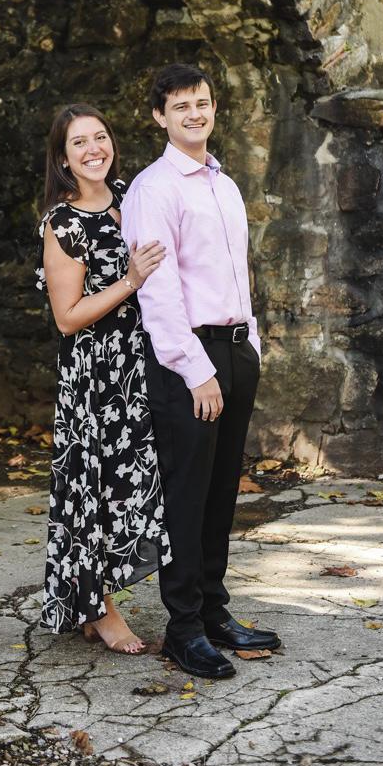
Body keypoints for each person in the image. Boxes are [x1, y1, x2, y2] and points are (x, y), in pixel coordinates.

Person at [121, 64, 281, 679]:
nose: (195, 114)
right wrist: (197, 370)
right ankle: (183, 630)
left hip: (236, 351)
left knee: (219, 496)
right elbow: (157, 294)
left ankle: (215, 612)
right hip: (190, 361)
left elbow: (238, 273)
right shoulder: (154, 190)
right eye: (181, 106)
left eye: (203, 103)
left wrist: (252, 348)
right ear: (160, 116)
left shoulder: (223, 183)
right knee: (186, 500)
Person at [35, 103, 171, 653]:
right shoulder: (63, 223)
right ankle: (102, 609)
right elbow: (67, 317)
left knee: (137, 484)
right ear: (63, 158)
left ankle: (92, 600)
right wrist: (132, 280)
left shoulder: (130, 198)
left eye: (100, 137)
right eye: (78, 143)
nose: (93, 149)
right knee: (96, 488)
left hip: (142, 366)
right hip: (96, 376)